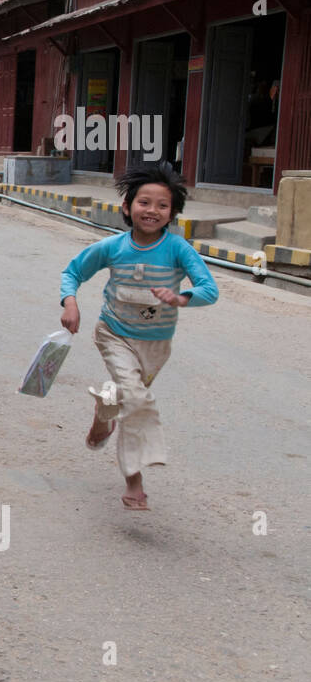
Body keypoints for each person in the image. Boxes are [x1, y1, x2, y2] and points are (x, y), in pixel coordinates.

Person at [59, 162, 218, 511]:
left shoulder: (178, 249)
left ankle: (103, 414)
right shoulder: (113, 247)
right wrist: (70, 303)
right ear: (127, 207)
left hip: (156, 345)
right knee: (136, 400)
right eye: (144, 202)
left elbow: (210, 289)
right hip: (113, 335)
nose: (153, 211)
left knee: (124, 396)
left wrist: (181, 298)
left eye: (163, 205)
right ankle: (135, 480)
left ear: (172, 213)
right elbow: (73, 272)